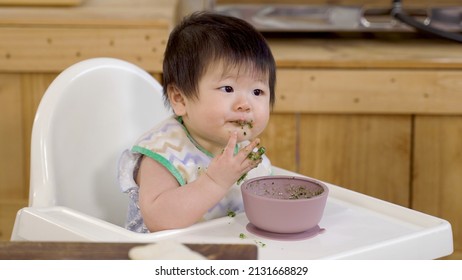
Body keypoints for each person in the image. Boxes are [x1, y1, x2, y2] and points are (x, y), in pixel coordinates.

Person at [118, 11, 276, 233]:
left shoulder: (246, 153)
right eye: (228, 88)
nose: (245, 104)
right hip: (160, 257)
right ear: (180, 99)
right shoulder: (164, 152)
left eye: (258, 91)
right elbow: (159, 220)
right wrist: (215, 181)